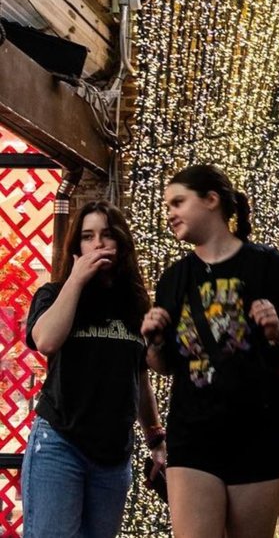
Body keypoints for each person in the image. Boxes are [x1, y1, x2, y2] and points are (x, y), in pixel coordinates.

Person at [142, 165, 279, 538]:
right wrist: (154, 341)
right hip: (192, 434)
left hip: (259, 434)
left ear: (211, 200)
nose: (170, 213)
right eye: (168, 205)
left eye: (178, 202)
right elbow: (164, 366)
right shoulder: (175, 278)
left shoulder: (269, 267)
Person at [21, 201, 166, 537]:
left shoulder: (135, 304)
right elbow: (46, 341)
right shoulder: (54, 294)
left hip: (113, 455)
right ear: (77, 246)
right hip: (60, 442)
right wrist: (75, 280)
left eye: (107, 235)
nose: (98, 244)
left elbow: (140, 378)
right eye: (88, 237)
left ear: (121, 243)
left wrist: (156, 438)